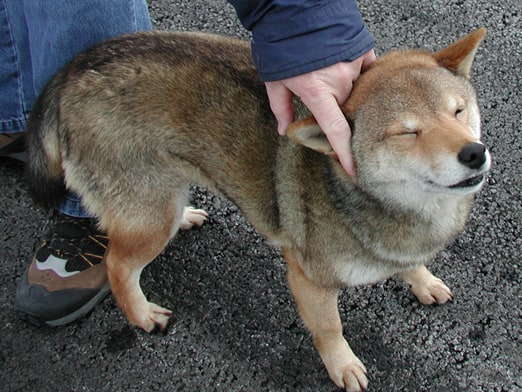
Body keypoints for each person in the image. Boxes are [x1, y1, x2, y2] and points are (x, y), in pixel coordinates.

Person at [5, 0, 375, 327]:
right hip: (107, 112)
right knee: (149, 221)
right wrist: (306, 21)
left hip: (109, 84)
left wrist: (304, 19)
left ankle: (16, 119)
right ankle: (119, 268)